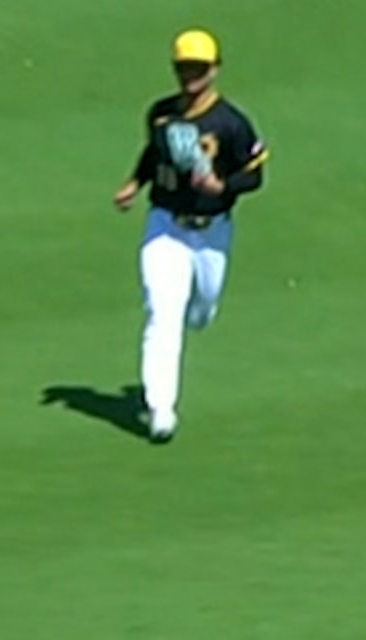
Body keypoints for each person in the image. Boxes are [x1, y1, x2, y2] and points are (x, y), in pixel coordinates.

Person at [112, 28, 270, 443]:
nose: (191, 75)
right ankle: (161, 407)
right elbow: (155, 152)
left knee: (201, 309)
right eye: (184, 67)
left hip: (212, 232)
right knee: (163, 312)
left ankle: (200, 312)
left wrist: (223, 186)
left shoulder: (231, 122)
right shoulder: (161, 113)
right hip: (165, 226)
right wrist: (135, 183)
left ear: (215, 69)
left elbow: (256, 175)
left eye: (199, 68)